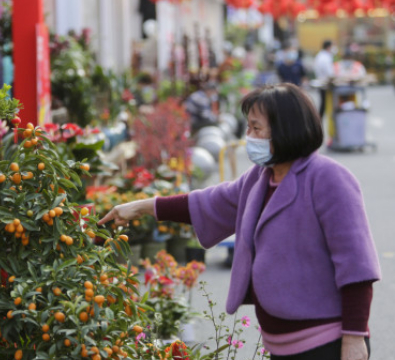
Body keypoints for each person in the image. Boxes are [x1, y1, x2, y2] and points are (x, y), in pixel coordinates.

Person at [100, 83, 380, 360]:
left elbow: (357, 267)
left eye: (256, 128)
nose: (248, 136)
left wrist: (354, 339)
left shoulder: (328, 179)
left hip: (324, 342)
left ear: (285, 130)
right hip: (280, 345)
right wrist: (140, 207)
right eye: (248, 127)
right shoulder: (260, 178)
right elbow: (206, 203)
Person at [314, 40, 336, 119]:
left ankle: (319, 122)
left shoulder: (320, 55)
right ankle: (319, 122)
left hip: (322, 83)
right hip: (325, 84)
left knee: (323, 105)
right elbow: (330, 74)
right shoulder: (325, 57)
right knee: (324, 105)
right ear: (328, 47)